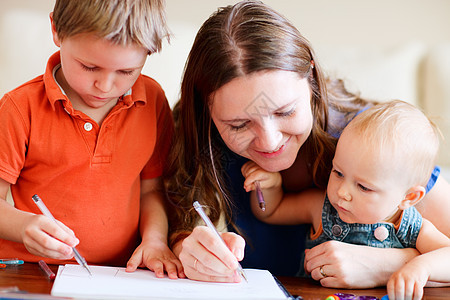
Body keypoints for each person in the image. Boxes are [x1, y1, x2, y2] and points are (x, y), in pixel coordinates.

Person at [164, 0, 450, 286]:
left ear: (311, 78)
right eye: (239, 125)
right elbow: (166, 232)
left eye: (285, 111)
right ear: (208, 113)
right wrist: (184, 247)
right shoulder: (198, 139)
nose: (270, 142)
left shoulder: (371, 145)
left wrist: (388, 265)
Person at [0, 0, 183, 279]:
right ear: (56, 30)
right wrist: (23, 226)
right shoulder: (18, 108)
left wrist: (155, 240)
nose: (105, 86)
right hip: (32, 271)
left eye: (126, 72)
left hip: (122, 274)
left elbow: (151, 190)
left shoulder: (153, 100)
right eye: (89, 67)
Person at [243, 100, 450, 298]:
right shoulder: (321, 208)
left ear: (409, 197)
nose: (342, 192)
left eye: (363, 187)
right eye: (338, 173)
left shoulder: (412, 227)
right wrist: (271, 186)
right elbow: (272, 211)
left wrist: (421, 266)